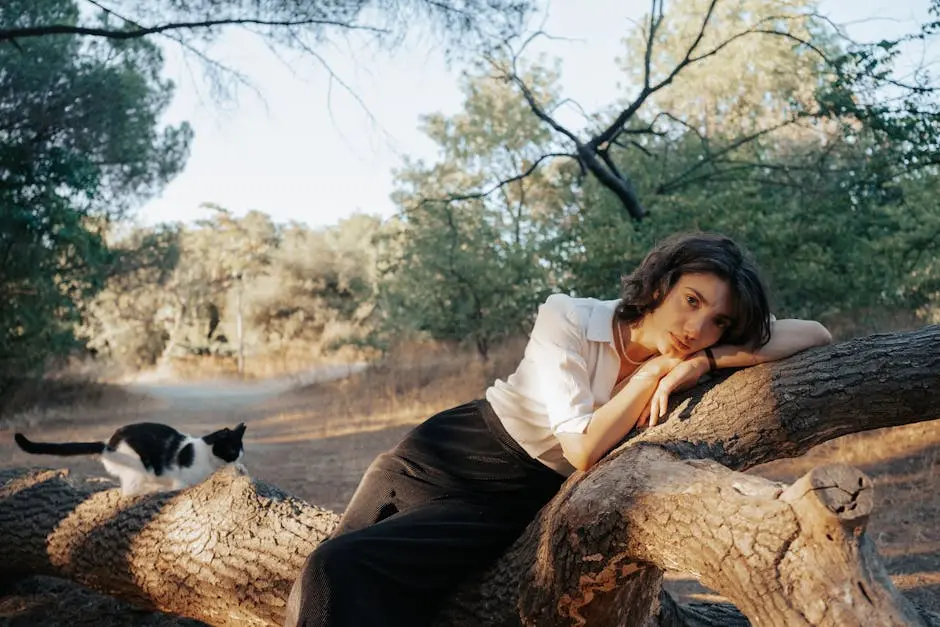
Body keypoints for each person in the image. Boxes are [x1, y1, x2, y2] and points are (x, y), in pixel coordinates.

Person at [284, 232, 832, 626]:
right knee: (331, 577)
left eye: (718, 322)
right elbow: (584, 446)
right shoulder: (568, 317)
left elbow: (816, 334)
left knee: (383, 588)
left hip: (513, 502)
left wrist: (705, 364)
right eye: (691, 301)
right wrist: (653, 372)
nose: (697, 328)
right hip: (443, 461)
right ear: (661, 285)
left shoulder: (692, 356)